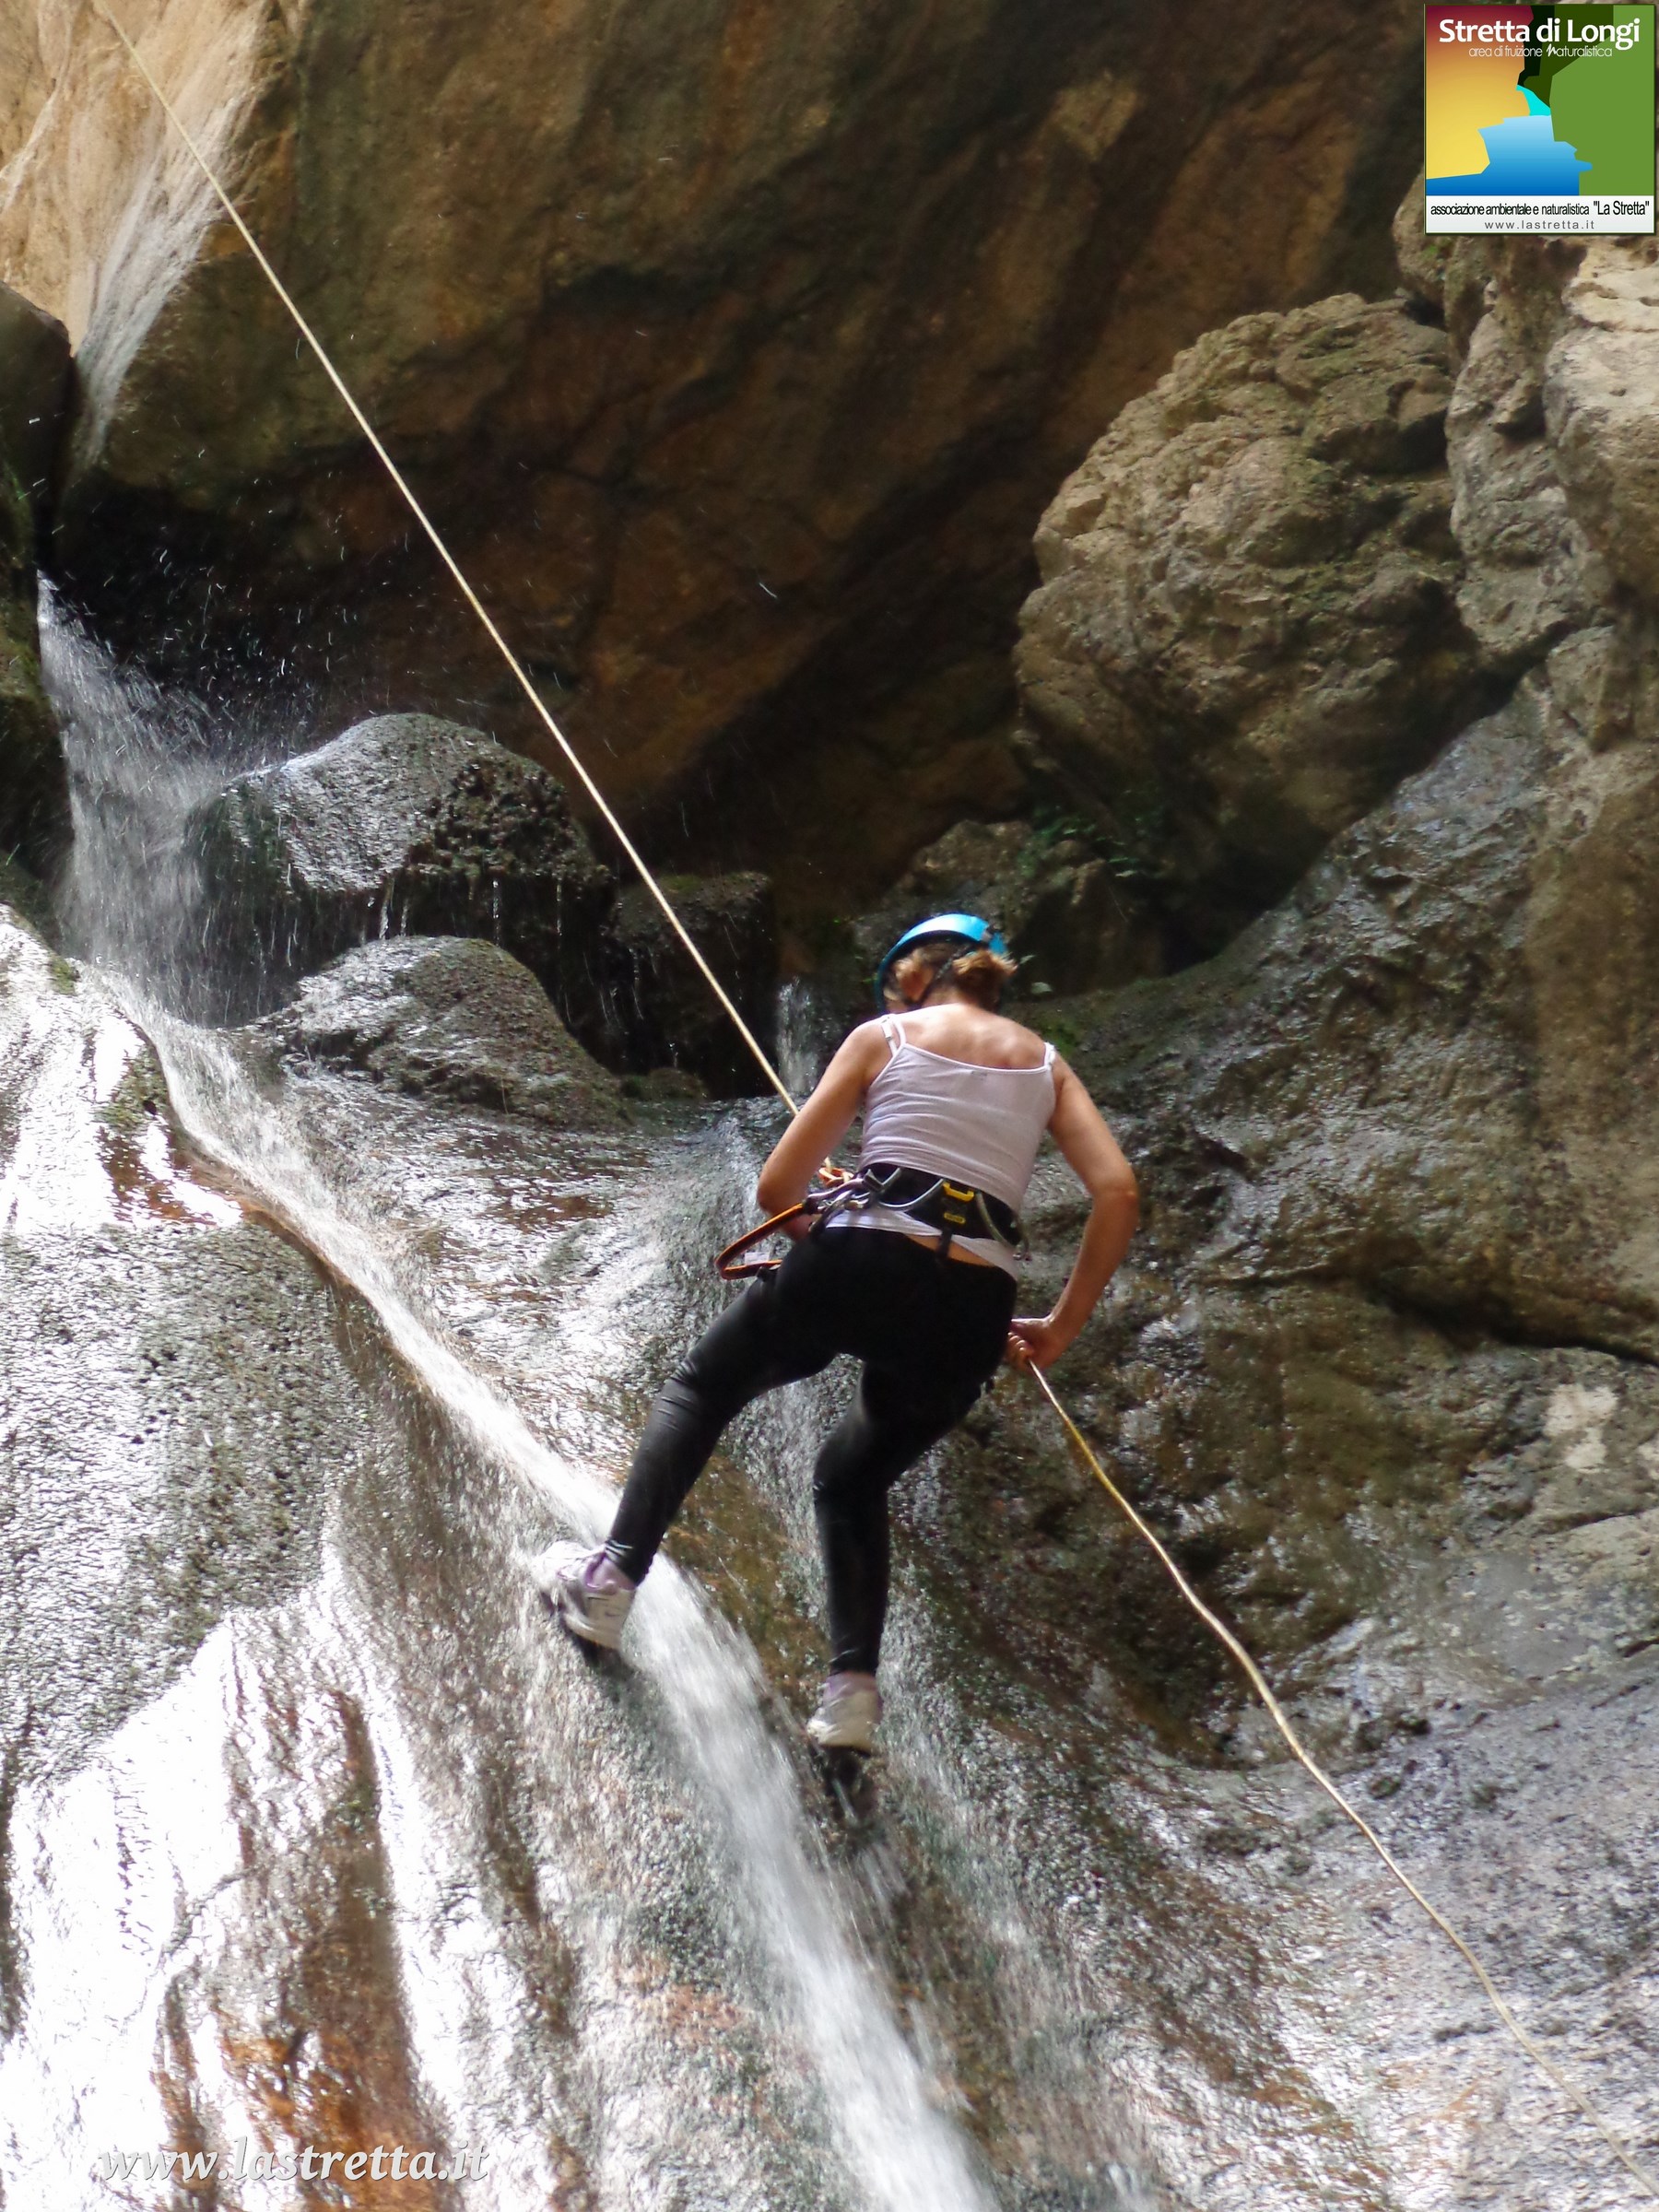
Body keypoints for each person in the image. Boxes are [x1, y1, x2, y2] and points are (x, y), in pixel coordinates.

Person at [546, 913, 1138, 1751]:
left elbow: (776, 1188)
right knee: (854, 1480)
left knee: (703, 1390)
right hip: (972, 1308)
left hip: (858, 1261)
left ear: (913, 978)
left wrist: (838, 1227)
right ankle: (852, 1697)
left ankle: (609, 1583)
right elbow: (1117, 1191)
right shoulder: (1046, 1066)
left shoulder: (883, 1037)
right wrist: (1060, 1326)